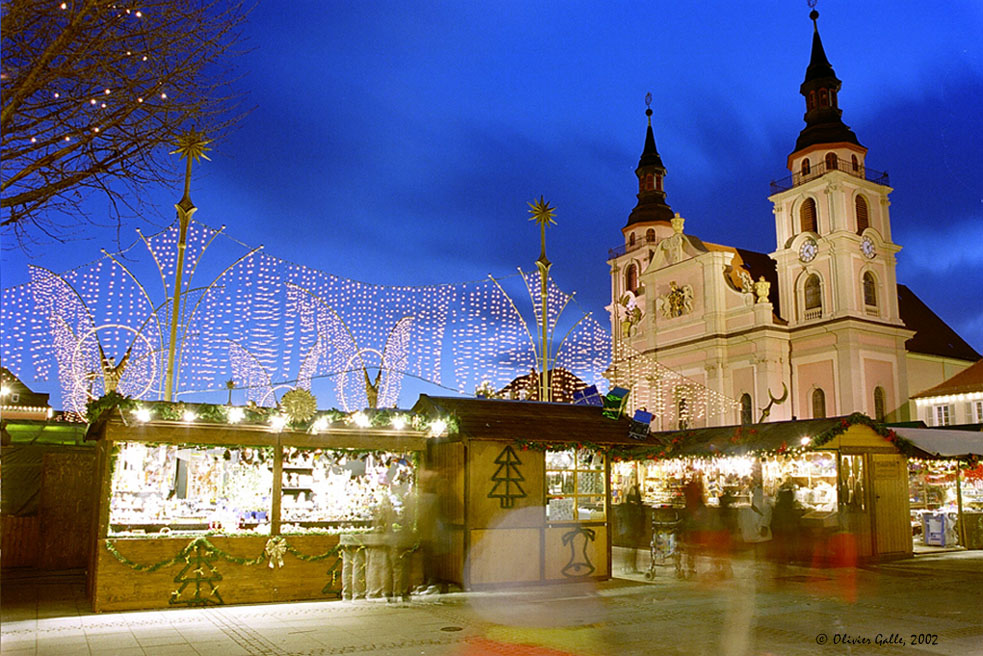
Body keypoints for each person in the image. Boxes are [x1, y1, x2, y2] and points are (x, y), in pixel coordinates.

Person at [623, 481, 645, 573]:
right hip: (634, 528)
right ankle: (632, 566)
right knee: (633, 547)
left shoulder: (627, 507)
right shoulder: (637, 507)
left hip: (629, 528)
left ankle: (628, 566)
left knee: (630, 547)